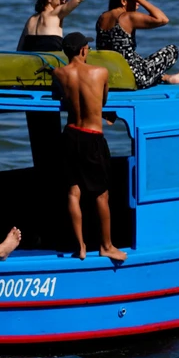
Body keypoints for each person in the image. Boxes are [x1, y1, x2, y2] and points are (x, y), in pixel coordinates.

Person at [52, 33, 127, 263]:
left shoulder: (58, 73)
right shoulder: (100, 72)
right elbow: (102, 102)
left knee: (73, 192)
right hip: (92, 137)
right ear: (84, 50)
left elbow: (60, 96)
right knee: (101, 195)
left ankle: (81, 246)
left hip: (70, 135)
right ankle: (106, 246)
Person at [96, 0, 179, 89]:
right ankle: (163, 77)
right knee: (172, 50)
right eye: (135, 0)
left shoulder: (102, 17)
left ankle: (165, 77)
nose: (138, 4)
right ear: (124, 1)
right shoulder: (127, 17)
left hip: (111, 76)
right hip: (134, 78)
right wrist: (142, 0)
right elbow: (163, 19)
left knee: (133, 56)